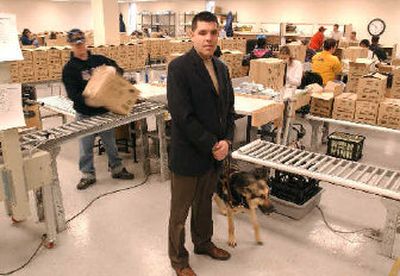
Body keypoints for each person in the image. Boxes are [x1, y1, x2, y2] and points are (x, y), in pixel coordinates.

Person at [167, 11, 235, 276]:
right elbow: (182, 116)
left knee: (204, 202)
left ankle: (203, 243)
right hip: (189, 154)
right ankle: (179, 260)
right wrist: (212, 144)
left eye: (213, 32)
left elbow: (229, 110)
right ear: (191, 35)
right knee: (180, 212)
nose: (209, 38)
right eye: (202, 33)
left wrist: (228, 140)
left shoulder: (222, 67)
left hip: (214, 154)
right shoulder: (179, 68)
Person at [62, 28, 134, 190]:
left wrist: (112, 75)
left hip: (103, 111)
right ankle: (87, 174)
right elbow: (73, 94)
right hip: (85, 113)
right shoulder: (69, 69)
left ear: (85, 42)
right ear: (71, 45)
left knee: (110, 143)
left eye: (82, 42)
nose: (80, 46)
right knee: (85, 146)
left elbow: (118, 70)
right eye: (76, 43)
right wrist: (90, 97)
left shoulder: (99, 60)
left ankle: (116, 169)